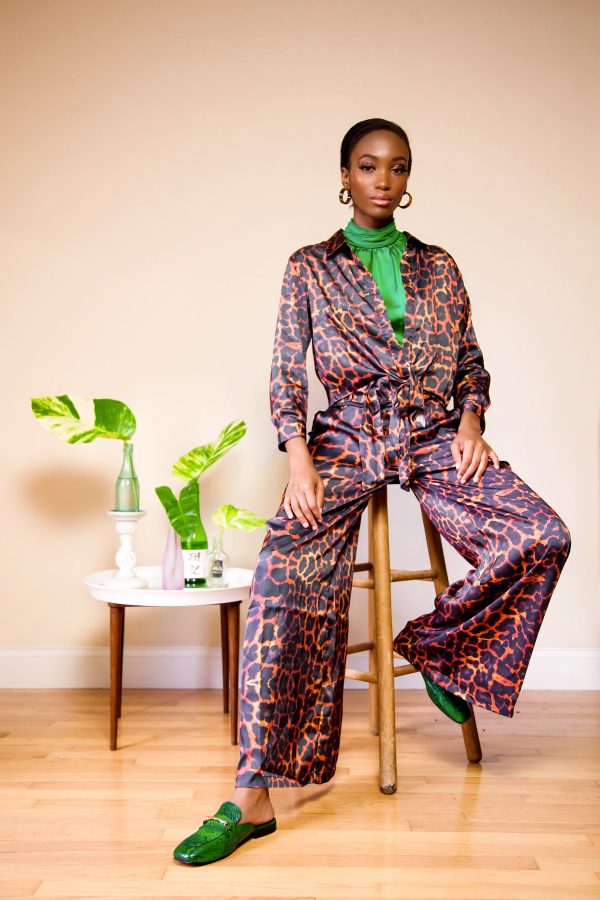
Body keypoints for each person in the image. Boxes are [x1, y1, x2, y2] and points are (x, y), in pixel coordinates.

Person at [173, 117, 571, 866]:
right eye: (367, 165)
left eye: (397, 166)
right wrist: (298, 458)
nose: (383, 179)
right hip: (347, 434)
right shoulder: (309, 266)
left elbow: (471, 360)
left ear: (408, 178)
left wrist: (471, 421)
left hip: (433, 430)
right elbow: (287, 369)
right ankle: (252, 797)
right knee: (281, 578)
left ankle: (441, 651)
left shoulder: (440, 266)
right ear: (345, 175)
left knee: (542, 535)